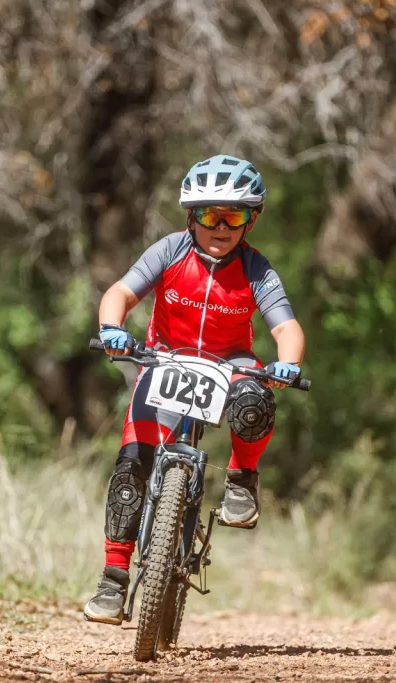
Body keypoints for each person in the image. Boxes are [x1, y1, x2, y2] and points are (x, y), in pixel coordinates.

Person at [83, 154, 306, 624]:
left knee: (256, 403)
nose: (220, 226)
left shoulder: (257, 269)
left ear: (251, 220)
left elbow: (286, 328)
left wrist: (287, 364)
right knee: (131, 468)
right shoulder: (169, 250)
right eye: (209, 214)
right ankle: (113, 579)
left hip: (231, 363)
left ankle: (243, 478)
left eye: (235, 216)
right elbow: (120, 294)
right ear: (191, 215)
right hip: (163, 357)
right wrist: (112, 329)